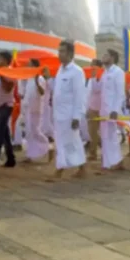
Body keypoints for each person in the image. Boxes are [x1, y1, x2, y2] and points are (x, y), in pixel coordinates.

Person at [44, 40, 86, 180]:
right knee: (65, 142)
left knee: (71, 141)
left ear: (70, 53)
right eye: (59, 51)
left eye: (62, 51)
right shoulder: (60, 70)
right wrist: (49, 78)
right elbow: (56, 90)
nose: (59, 54)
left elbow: (79, 96)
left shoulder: (77, 72)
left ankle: (60, 170)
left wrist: (76, 117)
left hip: (69, 115)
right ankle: (80, 167)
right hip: (58, 114)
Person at [98, 49, 126, 171]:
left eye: (106, 55)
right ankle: (108, 162)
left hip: (112, 110)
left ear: (113, 58)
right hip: (104, 110)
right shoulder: (104, 73)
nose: (103, 56)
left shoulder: (118, 72)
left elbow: (120, 93)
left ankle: (116, 161)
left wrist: (115, 109)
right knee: (105, 136)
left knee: (112, 135)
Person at [20, 58, 50, 163]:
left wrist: (37, 81)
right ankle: (30, 154)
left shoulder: (40, 78)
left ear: (35, 67)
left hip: (36, 109)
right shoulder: (29, 79)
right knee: (28, 132)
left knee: (36, 131)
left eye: (30, 65)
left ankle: (48, 147)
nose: (28, 67)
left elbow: (42, 92)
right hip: (29, 108)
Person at [83, 59, 103, 160]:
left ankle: (93, 153)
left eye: (93, 66)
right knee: (92, 131)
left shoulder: (102, 77)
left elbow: (96, 89)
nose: (91, 68)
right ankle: (100, 147)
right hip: (92, 107)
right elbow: (88, 95)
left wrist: (96, 76)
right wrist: (87, 108)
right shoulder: (91, 78)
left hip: (100, 108)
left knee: (95, 132)